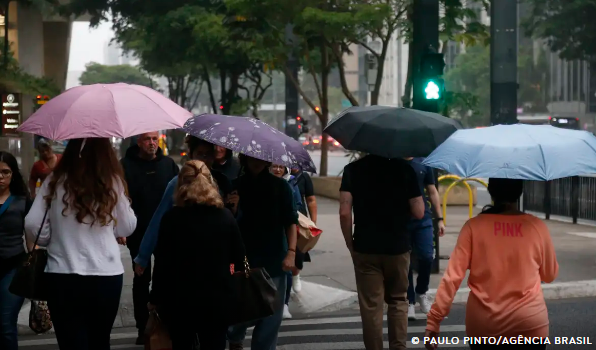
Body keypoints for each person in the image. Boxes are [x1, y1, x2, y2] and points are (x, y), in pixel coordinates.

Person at [24, 138, 137, 350]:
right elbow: (127, 226)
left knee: (71, 342)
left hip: (62, 273)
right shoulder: (112, 181)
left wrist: (51, 238)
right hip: (105, 274)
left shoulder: (55, 180)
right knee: (99, 340)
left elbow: (32, 223)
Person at [424, 178, 559, 350]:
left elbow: (452, 278)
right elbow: (549, 275)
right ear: (520, 192)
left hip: (484, 326)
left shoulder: (473, 227)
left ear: (491, 192)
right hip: (529, 325)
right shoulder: (537, 227)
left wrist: (434, 320)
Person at [149, 160, 245, 349]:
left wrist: (155, 299)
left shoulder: (172, 219)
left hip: (180, 301)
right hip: (217, 300)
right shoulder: (225, 217)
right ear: (211, 183)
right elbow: (239, 257)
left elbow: (162, 264)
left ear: (181, 184)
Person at [339, 154, 424, 350]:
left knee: (371, 306)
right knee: (398, 300)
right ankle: (398, 346)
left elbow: (344, 212)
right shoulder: (405, 169)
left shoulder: (353, 170)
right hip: (398, 247)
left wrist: (350, 244)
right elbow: (419, 211)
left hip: (365, 247)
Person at [133, 136, 234, 275]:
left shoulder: (222, 182)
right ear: (191, 155)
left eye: (208, 154)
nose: (204, 159)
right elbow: (159, 219)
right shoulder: (178, 183)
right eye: (200, 154)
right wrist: (143, 256)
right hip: (185, 257)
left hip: (216, 256)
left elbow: (233, 222)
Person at [227, 155, 298, 350]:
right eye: (251, 157)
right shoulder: (235, 186)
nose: (256, 161)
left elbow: (290, 221)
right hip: (243, 258)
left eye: (260, 157)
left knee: (271, 317)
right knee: (240, 311)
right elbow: (227, 224)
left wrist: (291, 252)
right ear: (244, 158)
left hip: (274, 257)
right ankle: (235, 338)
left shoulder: (281, 187)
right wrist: (232, 208)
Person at [119, 131, 179, 344]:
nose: (152, 143)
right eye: (147, 139)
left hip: (166, 232)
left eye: (155, 139)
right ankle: (142, 327)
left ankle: (164, 324)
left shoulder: (169, 165)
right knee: (141, 279)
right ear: (138, 141)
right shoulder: (124, 165)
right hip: (138, 230)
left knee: (165, 279)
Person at [404, 157, 446, 320]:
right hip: (402, 220)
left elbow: (432, 190)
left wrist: (440, 218)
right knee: (405, 261)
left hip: (424, 219)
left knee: (427, 256)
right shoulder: (395, 163)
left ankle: (421, 292)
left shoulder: (424, 163)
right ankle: (409, 301)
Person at [0, 152, 32, 350]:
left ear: (13, 174)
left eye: (5, 172)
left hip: (13, 268)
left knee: (5, 324)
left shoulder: (22, 201)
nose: (1, 177)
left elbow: (31, 239)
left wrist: (36, 267)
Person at [270, 164, 301, 319]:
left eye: (280, 167)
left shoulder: (289, 184)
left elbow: (297, 208)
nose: (277, 170)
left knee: (286, 271)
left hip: (284, 235)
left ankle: (284, 304)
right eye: (273, 166)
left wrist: (292, 251)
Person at [288, 167, 317, 293]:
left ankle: (296, 275)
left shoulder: (303, 177)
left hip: (301, 219)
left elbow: (311, 200)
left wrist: (313, 222)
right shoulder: (279, 176)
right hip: (284, 218)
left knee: (298, 250)